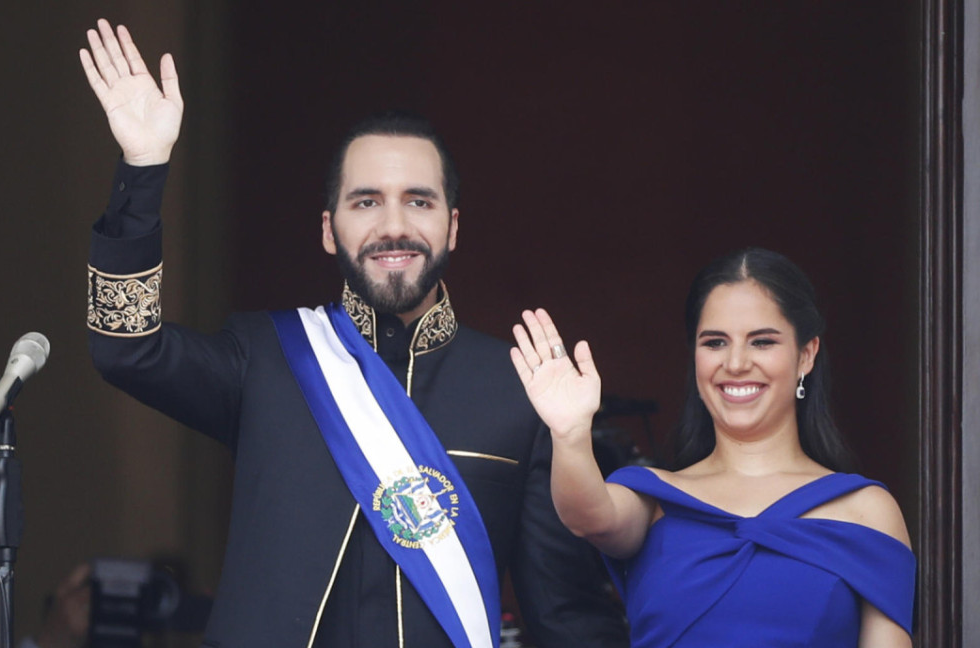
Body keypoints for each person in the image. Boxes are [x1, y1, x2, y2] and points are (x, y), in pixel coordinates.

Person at [78, 18, 627, 648]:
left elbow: (566, 617)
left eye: (418, 201)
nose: (393, 226)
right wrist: (143, 170)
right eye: (365, 202)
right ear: (328, 229)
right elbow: (126, 348)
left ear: (452, 227)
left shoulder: (521, 388)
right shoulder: (264, 356)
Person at [510, 248, 916, 646]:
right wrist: (569, 434)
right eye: (715, 342)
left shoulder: (866, 510)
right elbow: (588, 516)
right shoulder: (655, 499)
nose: (736, 363)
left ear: (806, 355)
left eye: (762, 342)